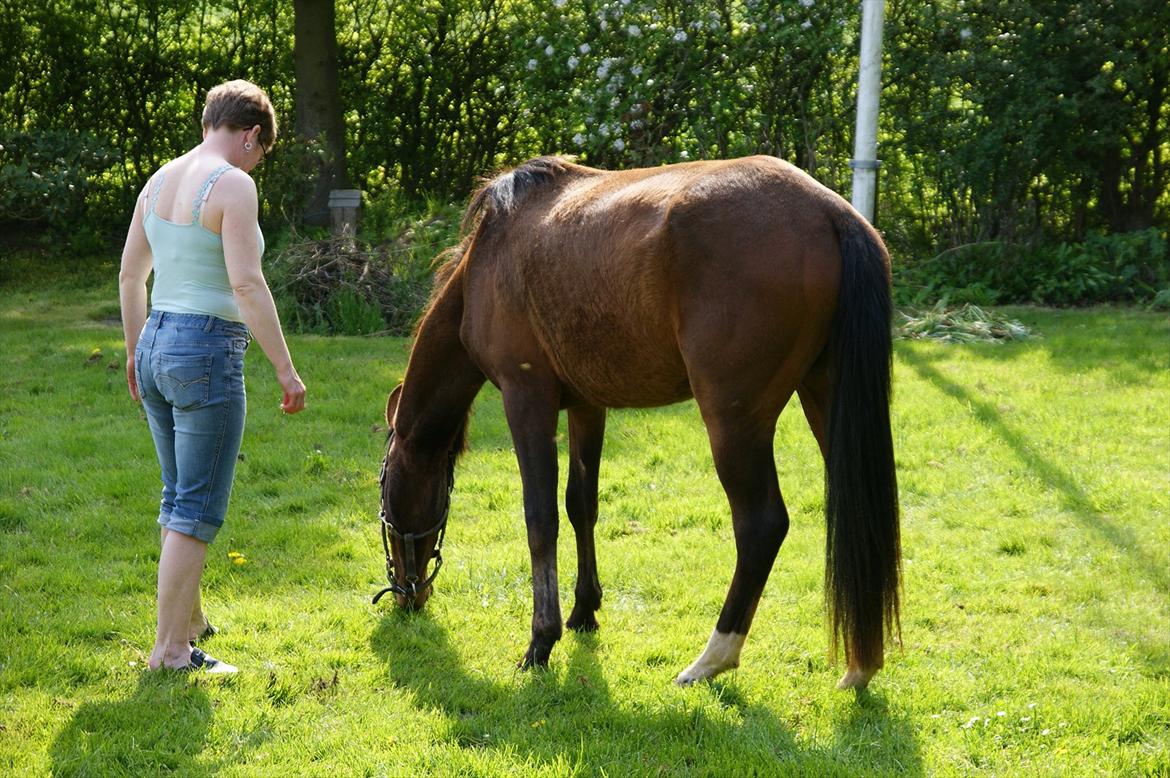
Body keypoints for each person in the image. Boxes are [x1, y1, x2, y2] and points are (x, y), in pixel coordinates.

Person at [119, 80, 306, 673]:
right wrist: (286, 370)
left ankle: (190, 620)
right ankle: (171, 651)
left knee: (177, 495)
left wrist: (134, 352)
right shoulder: (233, 184)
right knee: (195, 509)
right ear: (251, 135)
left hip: (156, 343)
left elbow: (130, 276)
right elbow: (246, 283)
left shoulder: (157, 181)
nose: (257, 164)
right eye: (261, 152)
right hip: (204, 350)